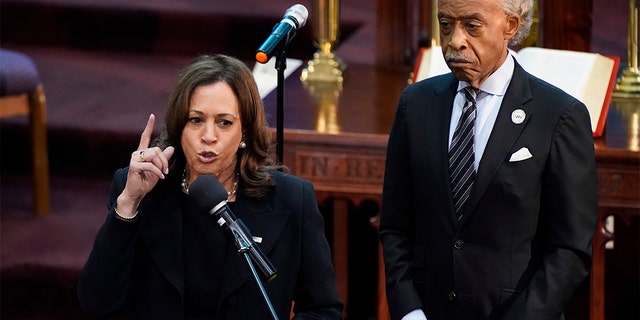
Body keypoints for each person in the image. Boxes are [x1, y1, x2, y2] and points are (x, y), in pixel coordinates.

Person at [77, 54, 343, 319]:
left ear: (246, 132)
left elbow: (323, 311)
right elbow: (97, 305)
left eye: (224, 122)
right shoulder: (140, 190)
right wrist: (128, 204)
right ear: (179, 126)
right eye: (196, 120)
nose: (208, 136)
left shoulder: (292, 199)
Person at [379, 0, 598, 319]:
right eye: (445, 24)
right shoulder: (415, 104)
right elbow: (396, 226)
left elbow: (570, 249)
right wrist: (410, 310)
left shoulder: (559, 116)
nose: (455, 40)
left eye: (471, 26)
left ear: (510, 25)